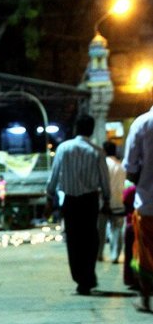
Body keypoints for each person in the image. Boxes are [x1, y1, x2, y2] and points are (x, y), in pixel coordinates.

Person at [46, 114, 110, 295]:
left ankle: (80, 277)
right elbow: (104, 179)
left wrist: (49, 197)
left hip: (70, 201)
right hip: (90, 201)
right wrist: (106, 199)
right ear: (91, 130)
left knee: (73, 241)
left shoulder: (63, 148)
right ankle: (88, 276)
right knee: (91, 239)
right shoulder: (97, 151)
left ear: (76, 129)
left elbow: (54, 175)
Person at [122, 104, 153, 312]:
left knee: (145, 253)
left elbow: (130, 170)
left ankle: (145, 298)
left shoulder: (142, 124)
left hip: (148, 203)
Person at [97, 141, 126, 263]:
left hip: (102, 202)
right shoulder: (122, 166)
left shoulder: (103, 165)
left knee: (100, 230)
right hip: (119, 202)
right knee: (117, 230)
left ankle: (99, 254)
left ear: (104, 151)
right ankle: (115, 256)